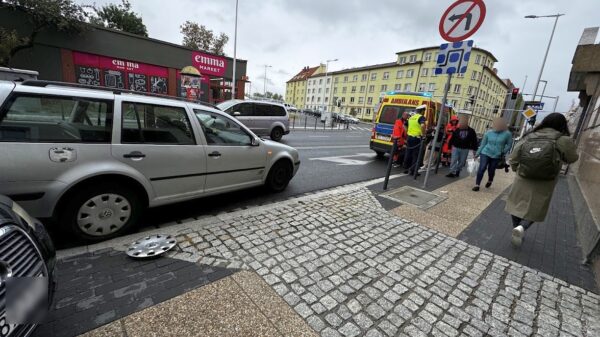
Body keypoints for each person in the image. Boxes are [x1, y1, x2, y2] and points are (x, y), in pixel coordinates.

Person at [506, 113, 579, 246]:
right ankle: (521, 228)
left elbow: (514, 156)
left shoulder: (529, 136)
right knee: (536, 208)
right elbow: (572, 158)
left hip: (523, 177)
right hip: (546, 180)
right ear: (563, 125)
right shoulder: (563, 140)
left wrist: (517, 169)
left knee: (516, 204)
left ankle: (516, 227)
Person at [473, 118, 512, 191]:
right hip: (485, 152)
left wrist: (503, 152)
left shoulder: (507, 134)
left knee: (491, 170)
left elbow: (509, 145)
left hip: (497, 155)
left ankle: (490, 180)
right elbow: (483, 144)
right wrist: (477, 153)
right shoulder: (488, 133)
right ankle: (477, 185)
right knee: (482, 168)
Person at [403, 105, 427, 176]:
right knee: (416, 155)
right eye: (424, 111)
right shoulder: (421, 117)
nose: (424, 112)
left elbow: (404, 125)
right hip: (417, 139)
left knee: (408, 153)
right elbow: (422, 126)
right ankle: (413, 171)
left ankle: (406, 169)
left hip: (409, 138)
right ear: (422, 111)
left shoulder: (411, 117)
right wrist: (423, 135)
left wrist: (408, 132)